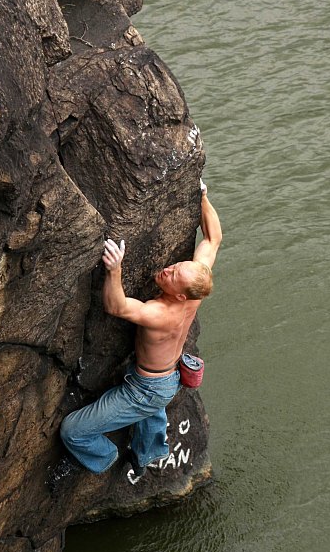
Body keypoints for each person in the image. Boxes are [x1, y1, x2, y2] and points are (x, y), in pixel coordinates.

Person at [49, 180, 222, 487]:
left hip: (145, 389)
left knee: (72, 430)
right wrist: (203, 196)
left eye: (173, 275)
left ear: (181, 296)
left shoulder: (160, 314)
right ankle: (149, 453)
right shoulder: (195, 284)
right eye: (178, 265)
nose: (168, 269)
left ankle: (105, 459)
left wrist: (115, 270)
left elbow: (117, 307)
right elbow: (213, 237)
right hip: (165, 378)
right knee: (152, 411)